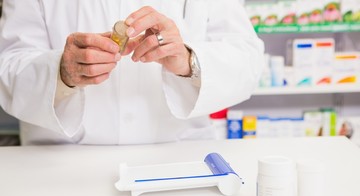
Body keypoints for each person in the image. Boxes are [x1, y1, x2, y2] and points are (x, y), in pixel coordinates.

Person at [0, 0, 264, 145]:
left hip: (179, 160)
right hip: (61, 166)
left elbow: (248, 61)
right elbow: (8, 66)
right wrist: (60, 72)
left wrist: (188, 60)